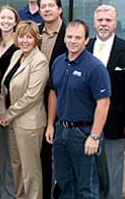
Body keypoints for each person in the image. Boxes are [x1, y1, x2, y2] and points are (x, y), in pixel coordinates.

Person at [45, 20, 111, 199]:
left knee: (86, 188)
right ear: (65, 38)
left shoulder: (95, 67)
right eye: (70, 37)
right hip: (61, 132)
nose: (73, 41)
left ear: (86, 40)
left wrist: (95, 136)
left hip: (84, 133)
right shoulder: (59, 62)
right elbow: (53, 93)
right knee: (65, 183)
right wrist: (51, 124)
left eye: (78, 37)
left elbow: (103, 103)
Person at [87, 5, 125, 199]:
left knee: (112, 174)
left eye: (108, 20)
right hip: (86, 122)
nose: (103, 24)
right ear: (94, 22)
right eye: (100, 20)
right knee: (91, 174)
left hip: (115, 124)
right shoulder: (85, 47)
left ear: (115, 22)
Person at [0, 21, 49, 199]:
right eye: (21, 36)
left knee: (30, 171)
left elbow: (32, 95)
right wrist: (1, 110)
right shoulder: (17, 55)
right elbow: (6, 87)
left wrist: (8, 115)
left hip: (29, 124)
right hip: (12, 121)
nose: (25, 40)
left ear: (36, 39)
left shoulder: (40, 61)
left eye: (29, 37)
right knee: (17, 166)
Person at [38, 0, 67, 199]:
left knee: (60, 152)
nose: (47, 9)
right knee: (43, 153)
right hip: (37, 99)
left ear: (60, 9)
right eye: (43, 6)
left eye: (51, 6)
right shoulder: (36, 33)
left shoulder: (69, 35)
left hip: (61, 99)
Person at [0, 5, 20, 199]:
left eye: (10, 18)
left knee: (11, 157)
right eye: (3, 18)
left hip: (10, 109)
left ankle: (9, 194)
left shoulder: (20, 47)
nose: (6, 21)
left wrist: (5, 108)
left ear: (16, 21)